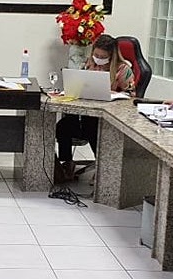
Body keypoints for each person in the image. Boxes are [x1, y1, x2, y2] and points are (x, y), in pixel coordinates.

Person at [55, 34, 135, 179]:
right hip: (85, 113)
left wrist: (113, 93)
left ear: (112, 56)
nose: (98, 59)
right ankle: (67, 162)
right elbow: (80, 84)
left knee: (91, 126)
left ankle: (102, 168)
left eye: (103, 57)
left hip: (107, 120)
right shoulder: (88, 64)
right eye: (96, 55)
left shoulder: (123, 70)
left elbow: (131, 97)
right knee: (63, 126)